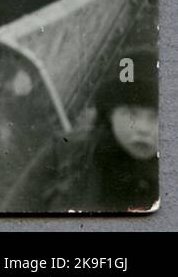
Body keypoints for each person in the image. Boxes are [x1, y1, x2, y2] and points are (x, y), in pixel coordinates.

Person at [43, 47, 159, 213]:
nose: (143, 128)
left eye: (156, 116)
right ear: (110, 114)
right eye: (131, 113)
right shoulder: (64, 152)